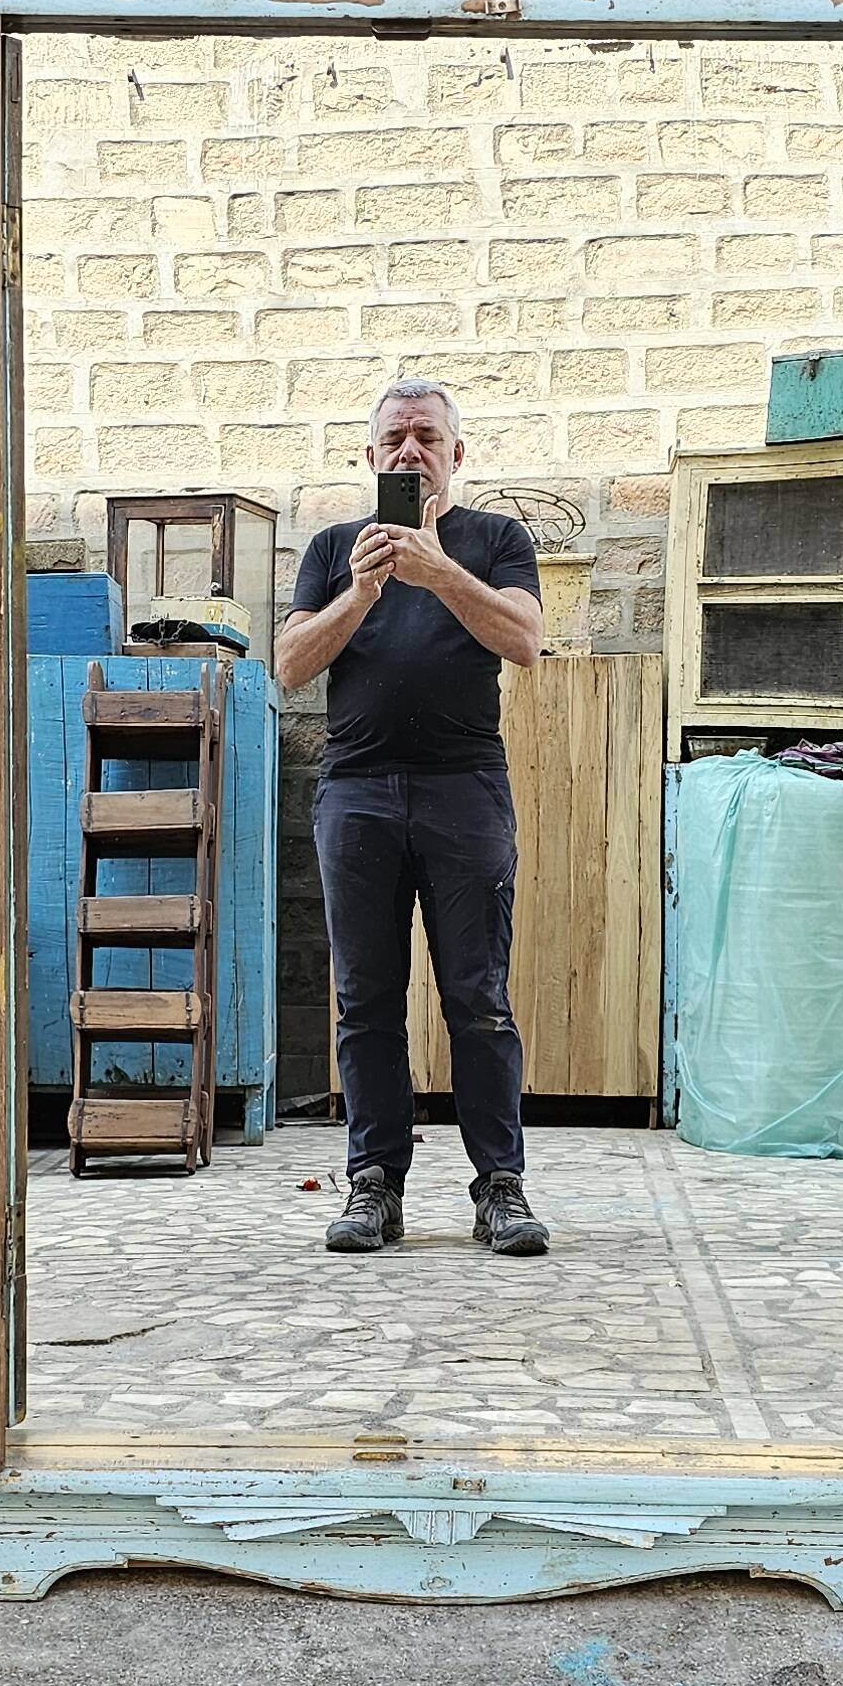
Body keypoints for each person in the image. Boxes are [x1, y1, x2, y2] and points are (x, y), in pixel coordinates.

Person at [278, 378, 551, 1257]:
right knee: (365, 1001)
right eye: (394, 438)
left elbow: (524, 640)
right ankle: (373, 1187)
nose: (409, 452)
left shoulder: (495, 539)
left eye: (427, 437)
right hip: (356, 789)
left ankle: (499, 1187)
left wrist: (437, 571)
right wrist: (360, 592)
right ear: (368, 456)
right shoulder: (331, 548)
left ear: (456, 453)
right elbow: (288, 664)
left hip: (463, 786)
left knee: (478, 997)